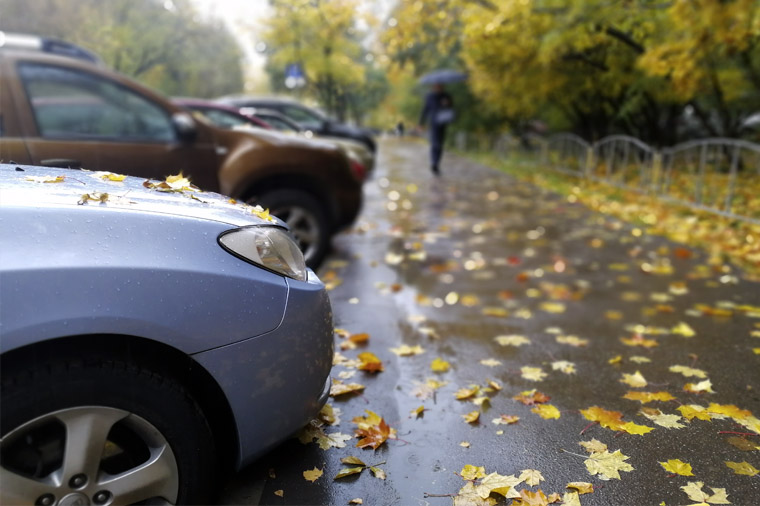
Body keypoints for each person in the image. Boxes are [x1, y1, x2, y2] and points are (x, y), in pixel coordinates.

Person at [418, 84, 454, 175]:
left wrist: (447, 103)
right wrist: (421, 123)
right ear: (433, 87)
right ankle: (434, 163)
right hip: (433, 123)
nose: (438, 87)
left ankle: (436, 163)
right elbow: (425, 110)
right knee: (435, 144)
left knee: (440, 144)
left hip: (442, 123)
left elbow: (451, 108)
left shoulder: (446, 96)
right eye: (436, 86)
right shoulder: (430, 97)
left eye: (440, 86)